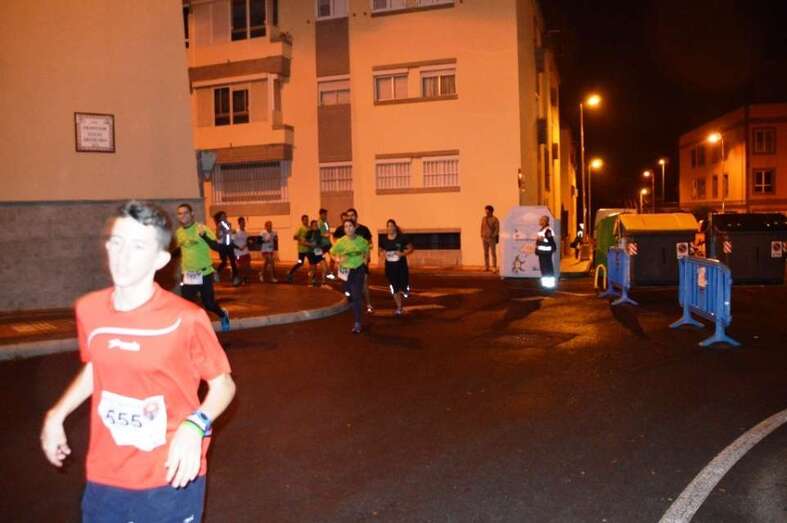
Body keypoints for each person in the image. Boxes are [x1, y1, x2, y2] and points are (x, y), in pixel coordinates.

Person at [40, 200, 236, 522]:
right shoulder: (90, 310)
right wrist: (57, 413)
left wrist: (195, 425)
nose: (123, 256)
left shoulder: (185, 318)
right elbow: (97, 366)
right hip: (106, 475)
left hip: (171, 473)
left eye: (138, 246)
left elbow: (223, 385)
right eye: (117, 242)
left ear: (160, 259)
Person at [174, 204, 231, 332]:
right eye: (180, 213)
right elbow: (179, 249)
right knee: (186, 305)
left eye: (186, 213)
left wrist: (204, 236)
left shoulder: (201, 228)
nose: (183, 216)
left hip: (204, 273)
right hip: (188, 274)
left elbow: (216, 247)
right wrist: (166, 256)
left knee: (209, 304)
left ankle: (223, 314)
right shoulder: (179, 232)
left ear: (192, 214)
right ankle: (191, 330)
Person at [330, 218, 370, 333]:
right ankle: (353, 300)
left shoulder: (361, 241)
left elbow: (366, 251)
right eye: (346, 226)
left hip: (358, 270)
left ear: (354, 227)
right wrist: (337, 259)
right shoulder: (341, 242)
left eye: (350, 226)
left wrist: (365, 261)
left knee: (356, 295)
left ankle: (357, 322)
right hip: (345, 271)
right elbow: (332, 252)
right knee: (349, 293)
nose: (348, 228)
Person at [380, 219, 414, 315]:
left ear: (395, 227)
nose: (390, 228)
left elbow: (411, 248)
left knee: (403, 284)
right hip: (389, 266)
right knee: (394, 287)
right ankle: (399, 307)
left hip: (401, 266)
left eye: (391, 226)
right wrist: (383, 253)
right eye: (388, 226)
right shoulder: (384, 240)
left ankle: (405, 288)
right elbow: (381, 250)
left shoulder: (402, 238)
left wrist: (402, 253)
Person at [345, 208, 374, 313]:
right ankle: (353, 302)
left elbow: (370, 244)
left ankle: (368, 304)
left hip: (362, 260)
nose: (350, 217)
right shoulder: (346, 230)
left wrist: (366, 257)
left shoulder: (364, 229)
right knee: (351, 282)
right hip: (350, 261)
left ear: (356, 216)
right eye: (348, 216)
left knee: (364, 282)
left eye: (352, 215)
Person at [213, 211, 239, 286]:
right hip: (222, 245)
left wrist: (232, 232)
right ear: (220, 218)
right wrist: (224, 233)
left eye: (225, 215)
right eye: (223, 216)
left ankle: (235, 278)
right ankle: (217, 272)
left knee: (233, 262)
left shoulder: (228, 224)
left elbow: (229, 233)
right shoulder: (219, 225)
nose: (225, 217)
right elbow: (218, 236)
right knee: (224, 262)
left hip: (229, 244)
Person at [286, 214, 311, 283]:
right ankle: (290, 272)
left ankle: (311, 275)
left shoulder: (309, 228)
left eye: (307, 219)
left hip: (308, 249)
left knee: (312, 263)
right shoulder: (301, 228)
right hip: (301, 250)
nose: (306, 221)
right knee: (300, 263)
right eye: (305, 220)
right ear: (302, 221)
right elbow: (294, 237)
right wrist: (300, 239)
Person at [536, 215, 558, 289]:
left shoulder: (548, 230)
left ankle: (549, 285)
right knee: (543, 269)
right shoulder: (542, 230)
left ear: (545, 221)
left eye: (541, 219)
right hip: (542, 253)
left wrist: (543, 239)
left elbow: (550, 241)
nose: (540, 221)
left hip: (546, 253)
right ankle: (545, 285)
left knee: (547, 269)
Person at [305, 219, 328, 287]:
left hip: (318, 251)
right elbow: (304, 242)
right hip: (311, 252)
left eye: (316, 225)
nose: (316, 226)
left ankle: (323, 283)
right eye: (314, 225)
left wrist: (326, 234)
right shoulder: (309, 233)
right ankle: (310, 283)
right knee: (313, 269)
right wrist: (310, 244)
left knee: (325, 268)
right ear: (311, 226)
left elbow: (324, 234)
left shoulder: (319, 232)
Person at [481, 205, 500, 272]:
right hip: (484, 238)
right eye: (485, 211)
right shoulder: (484, 218)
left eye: (487, 211)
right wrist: (482, 235)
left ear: (491, 211)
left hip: (492, 239)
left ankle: (494, 267)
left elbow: (497, 229)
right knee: (485, 253)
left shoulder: (495, 219)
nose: (486, 212)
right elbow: (482, 227)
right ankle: (486, 266)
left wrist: (493, 235)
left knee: (493, 253)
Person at [318, 208, 336, 280]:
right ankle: (322, 280)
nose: (326, 216)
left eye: (326, 214)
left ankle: (330, 273)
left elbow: (327, 231)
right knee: (322, 265)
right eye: (324, 214)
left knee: (333, 258)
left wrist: (330, 233)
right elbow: (320, 233)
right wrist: (327, 234)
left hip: (327, 244)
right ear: (320, 215)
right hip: (320, 246)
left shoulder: (326, 222)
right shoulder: (318, 223)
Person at [233, 216, 251, 285]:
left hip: (246, 252)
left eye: (244, 222)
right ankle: (238, 278)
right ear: (239, 223)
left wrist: (249, 242)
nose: (243, 224)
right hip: (238, 253)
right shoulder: (236, 231)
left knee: (247, 266)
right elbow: (232, 241)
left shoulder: (246, 232)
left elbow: (246, 241)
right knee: (240, 267)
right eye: (242, 222)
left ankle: (244, 278)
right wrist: (238, 247)